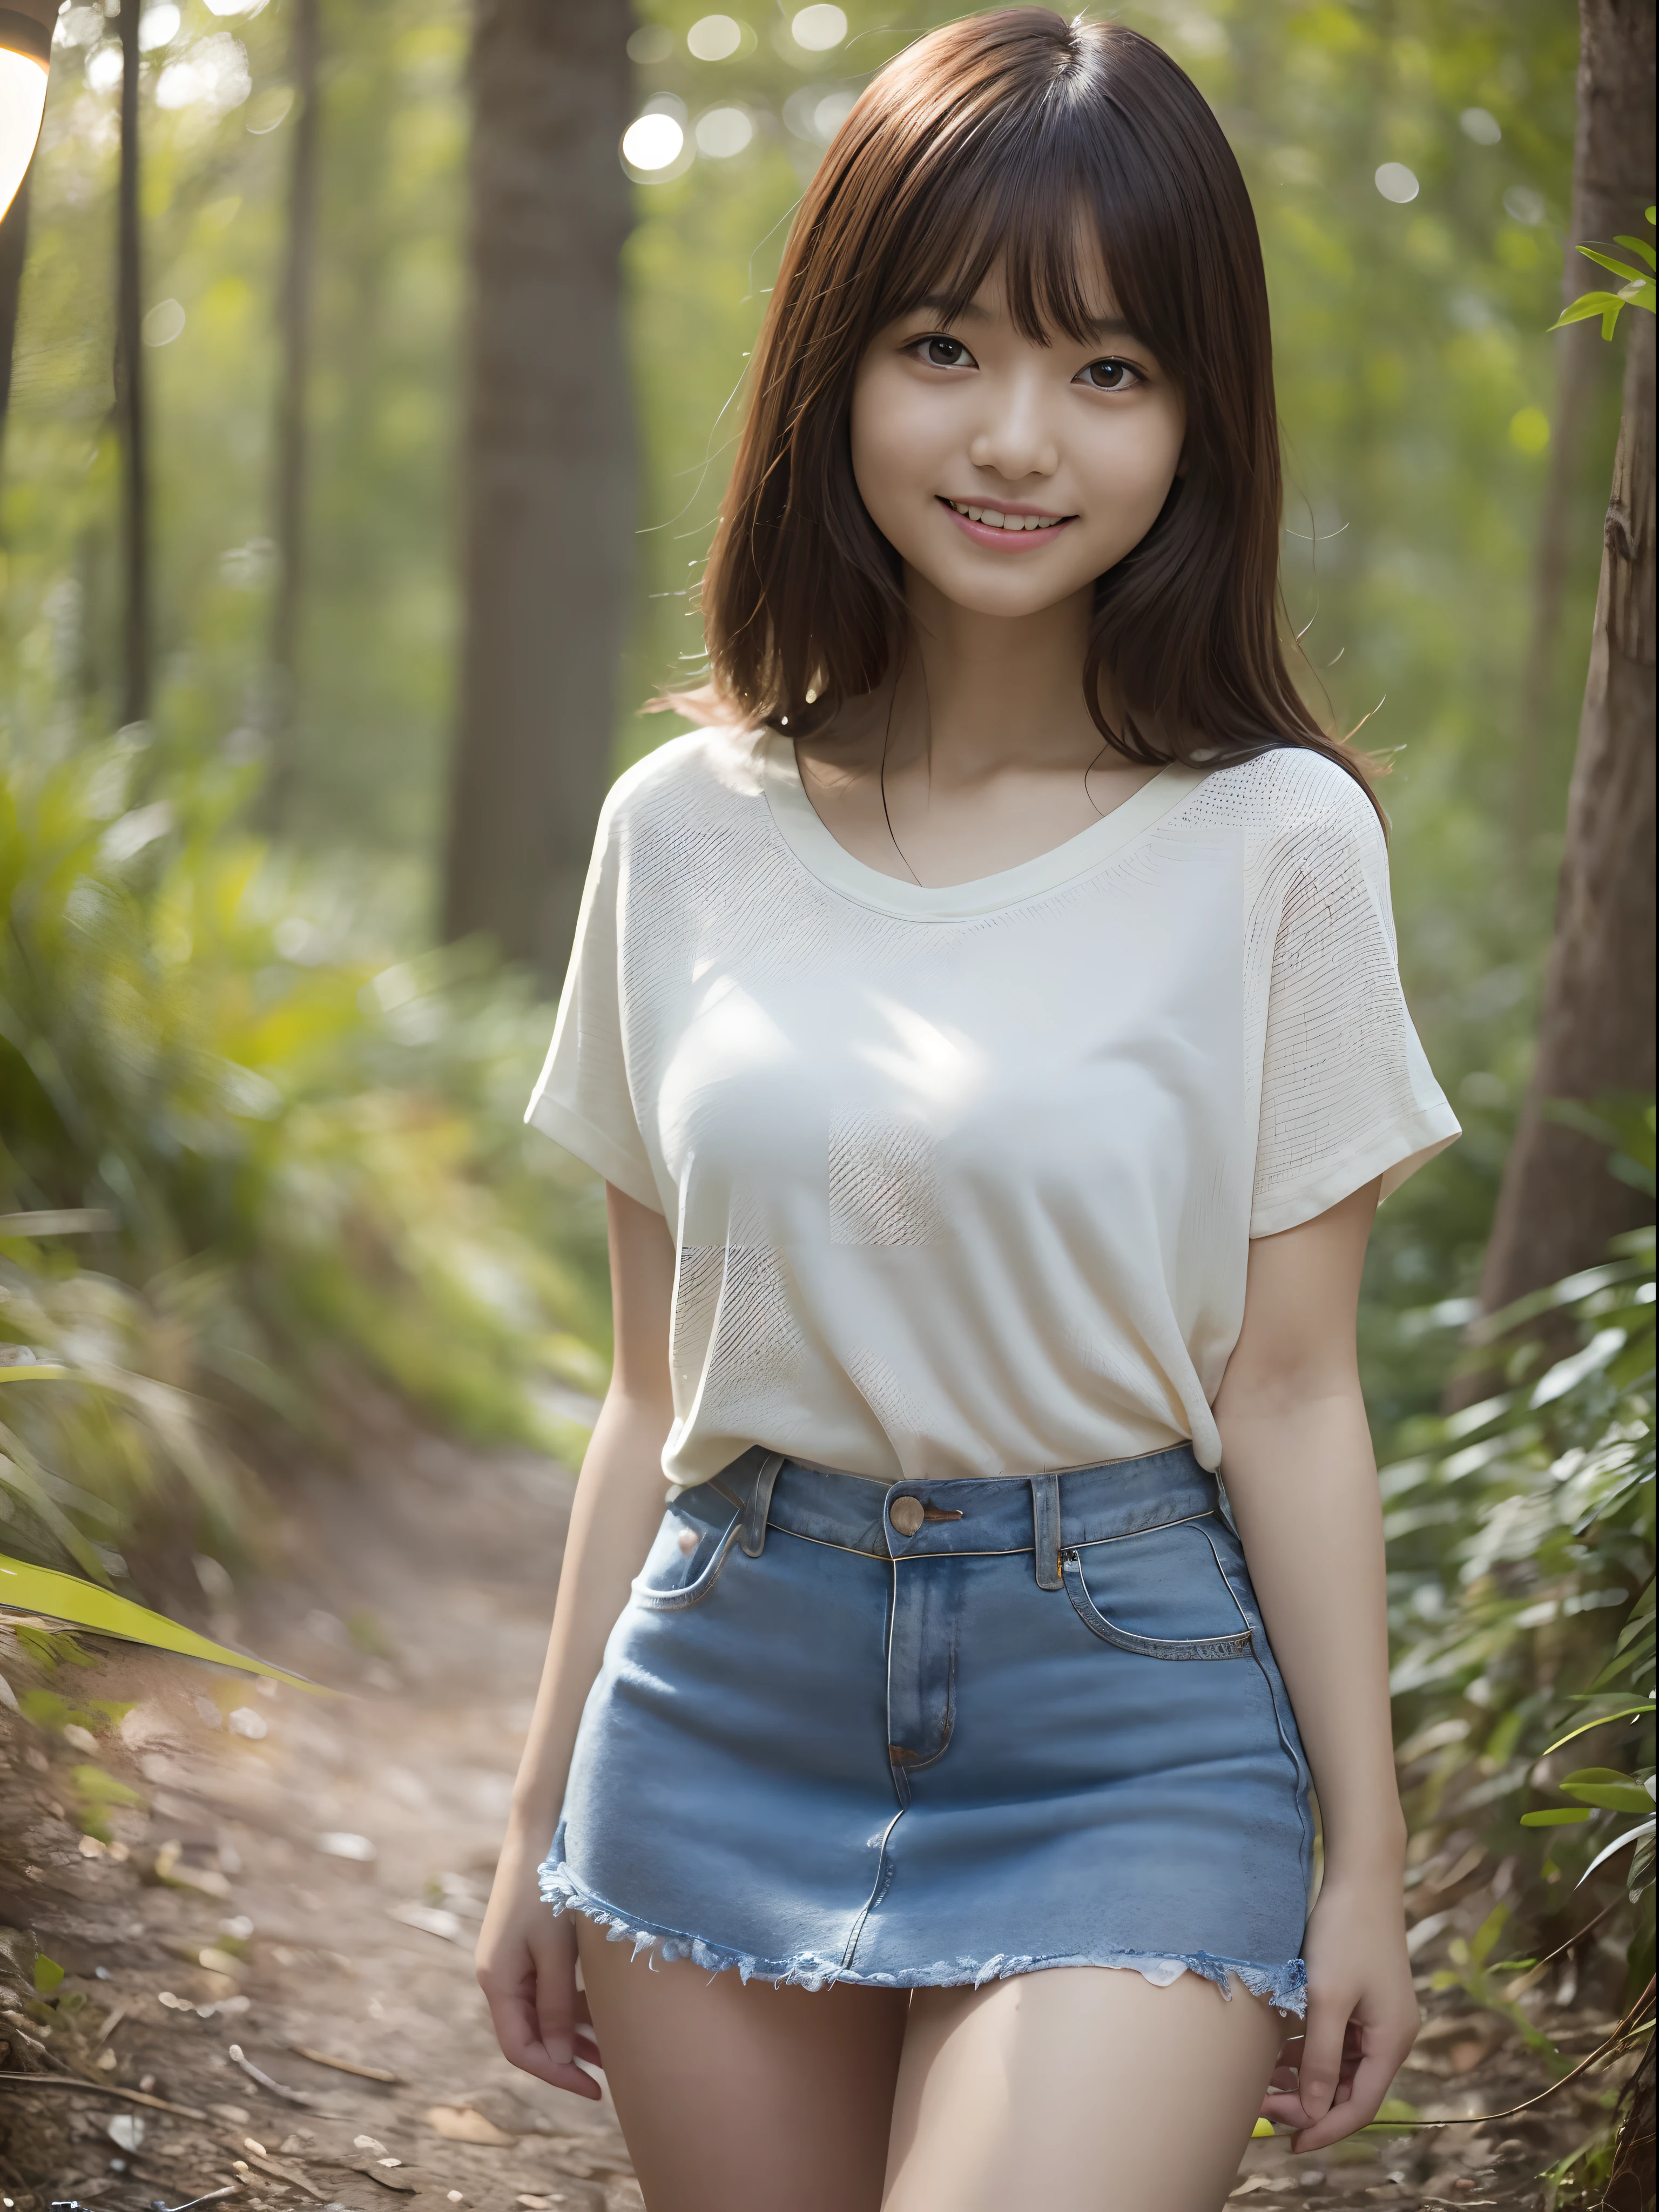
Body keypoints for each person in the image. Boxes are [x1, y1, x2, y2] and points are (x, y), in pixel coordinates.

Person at [475, 13, 1461, 2208]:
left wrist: (1367, 1864)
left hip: (1132, 1709)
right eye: (947, 346)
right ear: (833, 366)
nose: (1021, 437)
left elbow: (1296, 1393)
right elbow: (651, 1390)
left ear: (1203, 419)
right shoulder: (683, 830)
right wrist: (539, 1813)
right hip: (727, 1683)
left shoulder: (1280, 842)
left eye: (1111, 369)